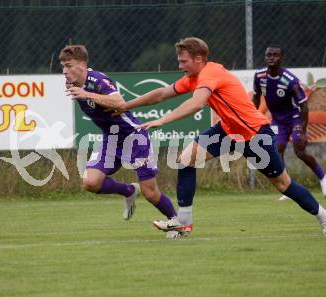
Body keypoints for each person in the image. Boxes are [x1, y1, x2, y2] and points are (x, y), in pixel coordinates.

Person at [114, 37, 326, 237]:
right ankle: (183, 221)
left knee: (283, 185)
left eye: (183, 61)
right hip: (227, 131)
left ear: (198, 59)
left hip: (255, 134)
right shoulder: (193, 77)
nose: (180, 66)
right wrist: (126, 105)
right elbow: (161, 94)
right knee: (186, 161)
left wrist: (162, 120)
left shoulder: (210, 73)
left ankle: (323, 216)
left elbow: (197, 103)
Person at [59, 44, 177, 222]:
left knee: (150, 193)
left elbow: (118, 101)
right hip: (111, 139)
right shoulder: (72, 82)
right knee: (90, 182)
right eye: (63, 66)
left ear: (82, 65)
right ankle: (129, 191)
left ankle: (176, 221)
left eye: (68, 65)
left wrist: (87, 94)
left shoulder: (97, 81)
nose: (64, 71)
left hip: (134, 137)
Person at [252, 46, 326, 200]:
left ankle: (323, 178)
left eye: (275, 55)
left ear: (281, 58)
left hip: (295, 118)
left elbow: (304, 105)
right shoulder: (259, 77)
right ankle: (289, 187)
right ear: (265, 58)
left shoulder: (290, 80)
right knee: (277, 151)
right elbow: (257, 97)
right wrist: (251, 115)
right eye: (268, 55)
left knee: (299, 151)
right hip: (278, 120)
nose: (271, 58)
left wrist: (304, 131)